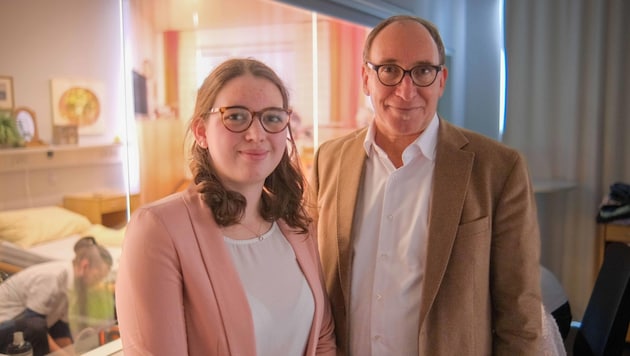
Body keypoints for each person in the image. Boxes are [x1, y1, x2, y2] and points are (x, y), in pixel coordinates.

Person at [309, 15, 543, 355]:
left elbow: (519, 315)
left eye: (422, 71)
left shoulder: (498, 169)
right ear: (365, 78)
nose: (406, 91)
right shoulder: (328, 161)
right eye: (388, 69)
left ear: (441, 80)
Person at [115, 58, 335, 356]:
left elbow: (322, 340)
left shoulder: (296, 225)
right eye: (235, 116)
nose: (256, 134)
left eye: (271, 118)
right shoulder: (158, 229)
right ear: (201, 132)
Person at [0, 236, 113, 356]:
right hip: (6, 325)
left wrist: (71, 353)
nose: (97, 283)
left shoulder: (72, 283)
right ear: (84, 266)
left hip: (23, 326)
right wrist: (62, 354)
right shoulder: (53, 277)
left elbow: (59, 326)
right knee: (37, 326)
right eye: (97, 278)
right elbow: (34, 325)